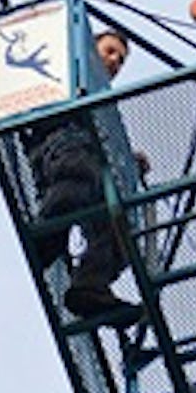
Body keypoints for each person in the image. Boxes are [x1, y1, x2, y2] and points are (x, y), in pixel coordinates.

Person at [23, 29, 143, 328]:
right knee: (78, 176)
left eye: (120, 59)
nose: (115, 61)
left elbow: (106, 143)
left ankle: (90, 288)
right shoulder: (66, 76)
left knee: (119, 229)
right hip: (62, 145)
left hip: (89, 159)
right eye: (110, 51)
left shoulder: (103, 104)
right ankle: (46, 239)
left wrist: (129, 162)